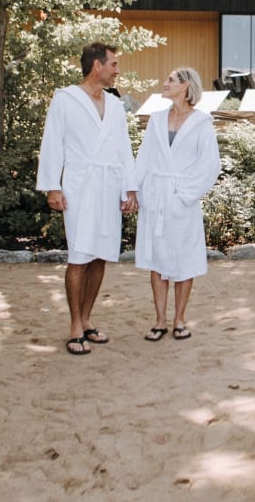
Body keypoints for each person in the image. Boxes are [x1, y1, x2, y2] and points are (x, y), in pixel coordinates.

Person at [37, 43, 139, 356]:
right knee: (79, 255)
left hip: (109, 185)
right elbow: (52, 142)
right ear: (97, 65)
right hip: (80, 184)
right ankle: (74, 326)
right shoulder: (65, 99)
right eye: (114, 64)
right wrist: (52, 186)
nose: (117, 70)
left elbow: (123, 148)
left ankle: (87, 319)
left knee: (101, 256)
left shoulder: (114, 104)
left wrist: (129, 189)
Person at [135, 67, 221, 341]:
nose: (164, 83)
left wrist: (184, 193)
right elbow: (144, 158)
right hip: (156, 197)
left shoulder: (201, 122)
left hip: (182, 200)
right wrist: (135, 191)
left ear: (185, 86)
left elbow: (210, 165)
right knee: (157, 260)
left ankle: (179, 319)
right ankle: (160, 321)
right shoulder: (156, 120)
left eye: (170, 80)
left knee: (184, 259)